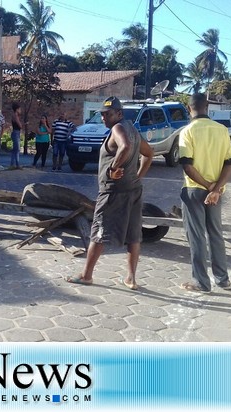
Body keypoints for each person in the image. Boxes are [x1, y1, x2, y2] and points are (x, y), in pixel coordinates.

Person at [67, 97, 154, 289]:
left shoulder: (118, 129)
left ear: (119, 114)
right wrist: (138, 177)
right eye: (103, 114)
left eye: (108, 114)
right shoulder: (133, 130)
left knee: (98, 232)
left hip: (113, 192)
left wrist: (113, 168)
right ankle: (131, 278)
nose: (105, 117)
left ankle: (86, 275)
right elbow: (149, 154)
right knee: (133, 235)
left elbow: (126, 147)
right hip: (133, 190)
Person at [178, 93, 231, 293]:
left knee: (196, 236)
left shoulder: (187, 131)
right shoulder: (221, 130)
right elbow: (230, 163)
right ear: (207, 106)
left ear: (189, 108)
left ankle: (201, 282)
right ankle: (222, 279)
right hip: (216, 193)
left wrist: (207, 186)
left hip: (195, 190)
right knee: (216, 234)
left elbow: (187, 165)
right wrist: (216, 188)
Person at [10, 102, 23, 169]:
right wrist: (22, 125)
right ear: (17, 109)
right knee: (17, 149)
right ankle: (17, 164)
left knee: (15, 149)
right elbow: (20, 125)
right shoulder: (15, 116)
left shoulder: (14, 115)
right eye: (19, 109)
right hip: (16, 132)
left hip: (15, 132)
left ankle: (12, 164)